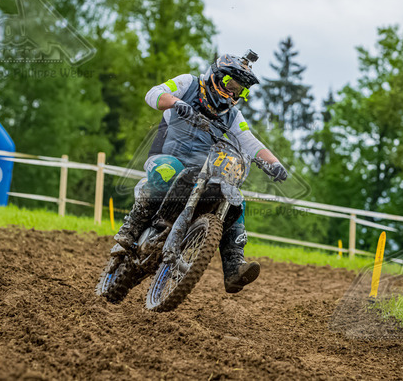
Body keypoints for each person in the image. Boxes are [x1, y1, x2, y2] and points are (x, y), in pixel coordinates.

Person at [114, 51, 288, 293]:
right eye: (231, 85)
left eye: (240, 91)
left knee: (235, 200)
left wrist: (274, 164)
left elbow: (249, 141)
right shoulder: (188, 83)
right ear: (217, 75)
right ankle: (131, 229)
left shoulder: (232, 115)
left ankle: (234, 266)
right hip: (167, 157)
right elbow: (153, 94)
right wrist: (176, 102)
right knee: (169, 171)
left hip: (202, 170)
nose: (233, 93)